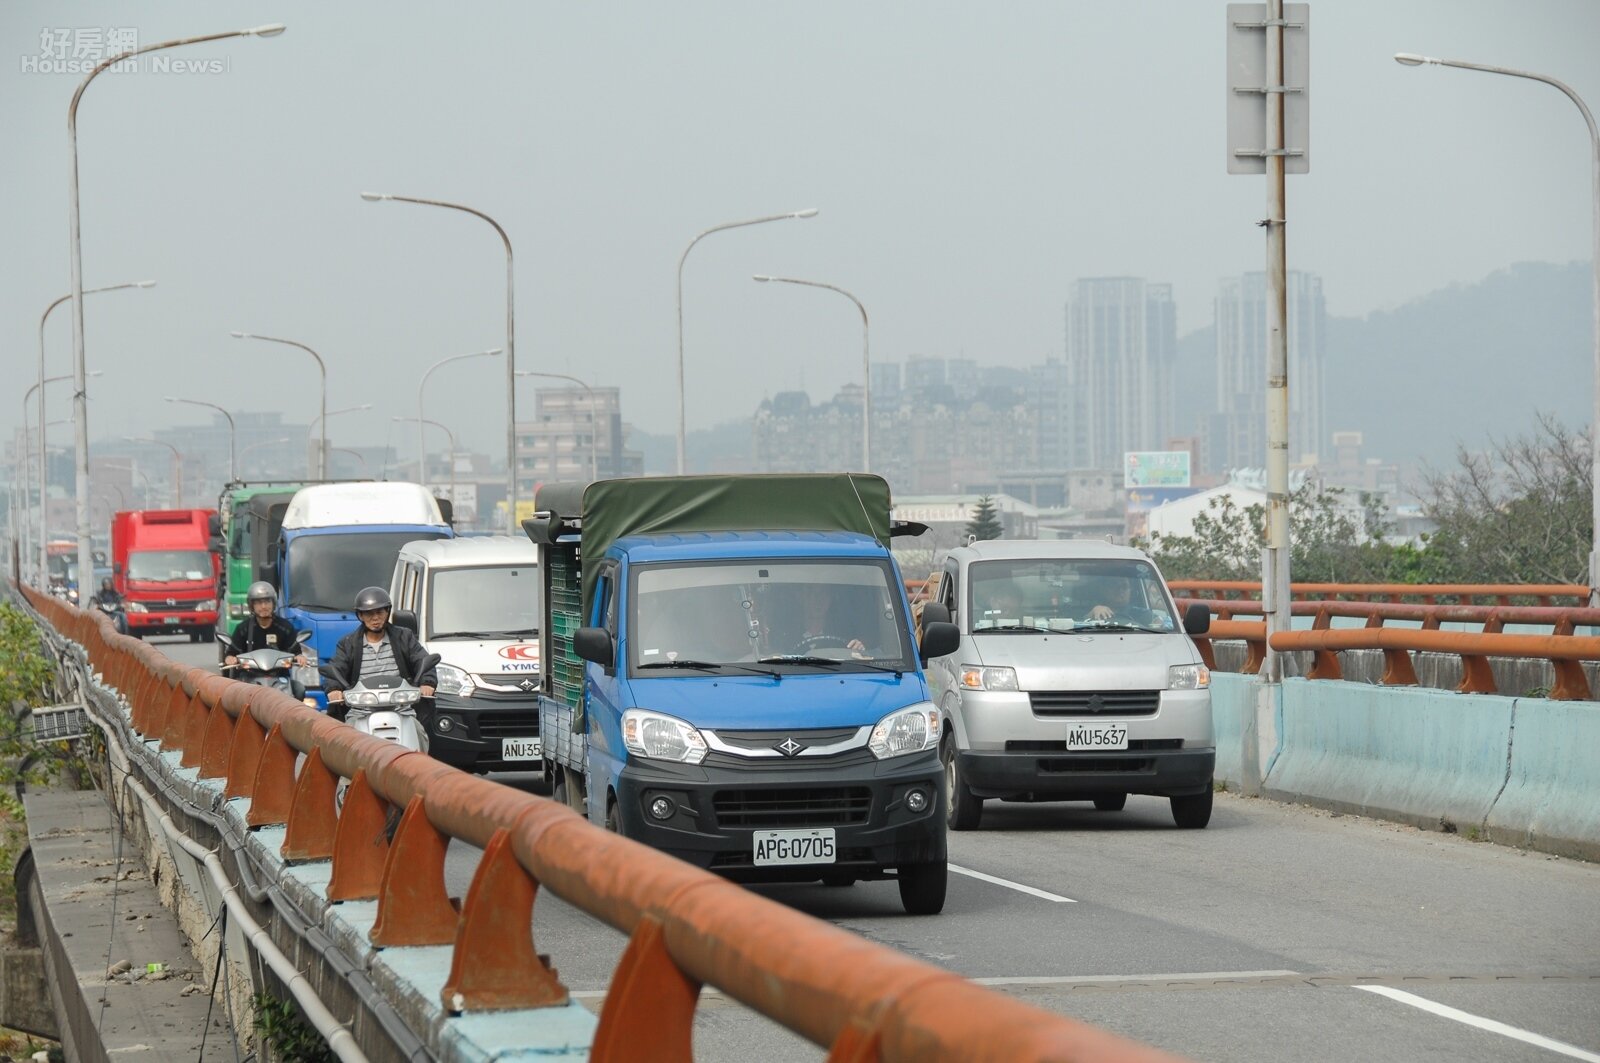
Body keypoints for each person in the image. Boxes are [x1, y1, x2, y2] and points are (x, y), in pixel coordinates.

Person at [323, 586, 437, 724]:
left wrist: (427, 683)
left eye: (380, 612)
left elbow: (423, 660)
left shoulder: (404, 636)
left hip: (403, 710)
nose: (375, 618)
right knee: (346, 739)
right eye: (369, 613)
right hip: (360, 712)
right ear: (360, 616)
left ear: (387, 612)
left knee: (420, 734)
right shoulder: (347, 643)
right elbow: (336, 667)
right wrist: (334, 689)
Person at [224, 582, 306, 668]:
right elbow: (231, 652)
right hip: (249, 675)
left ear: (273, 603)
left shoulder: (285, 627)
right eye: (259, 602)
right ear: (252, 606)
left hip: (279, 676)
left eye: (267, 601)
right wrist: (230, 658)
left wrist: (299, 657)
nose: (263, 606)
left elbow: (295, 651)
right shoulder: (243, 629)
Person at [787, 583, 867, 655]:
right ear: (800, 597)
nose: (818, 599)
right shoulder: (786, 636)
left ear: (831, 598)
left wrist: (858, 649)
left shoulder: (845, 636)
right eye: (810, 593)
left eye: (823, 593)